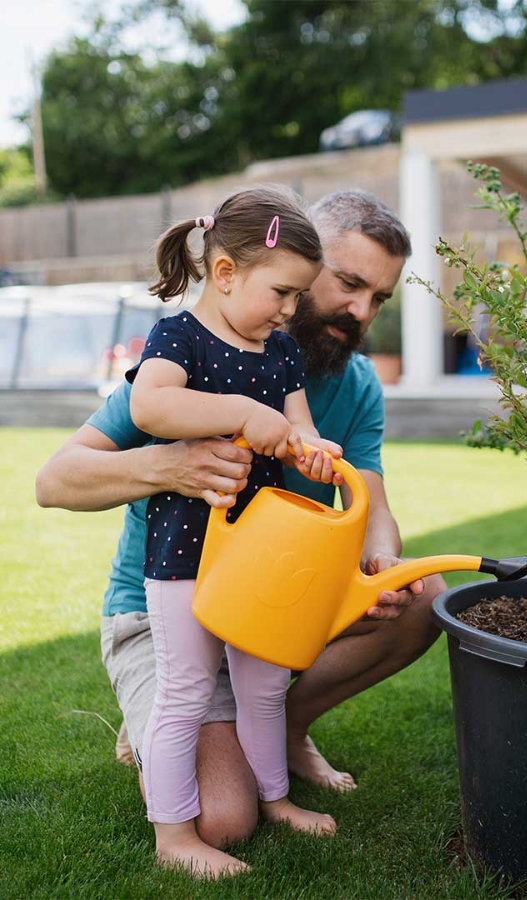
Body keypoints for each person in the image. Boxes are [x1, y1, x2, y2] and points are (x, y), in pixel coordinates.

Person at [35, 189, 446, 859]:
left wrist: (379, 567)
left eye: (380, 299)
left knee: (423, 598)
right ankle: (163, 728)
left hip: (267, 598)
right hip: (170, 598)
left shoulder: (351, 381)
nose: (361, 312)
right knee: (224, 818)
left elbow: (371, 500)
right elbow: (54, 481)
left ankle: (281, 732)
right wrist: (171, 467)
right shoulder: (190, 354)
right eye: (347, 284)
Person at [127, 185, 349, 877]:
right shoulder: (179, 338)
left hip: (259, 555)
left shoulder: (279, 352)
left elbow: (298, 423)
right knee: (186, 691)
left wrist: (311, 447)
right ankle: (174, 837)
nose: (290, 311)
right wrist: (235, 413)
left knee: (262, 687)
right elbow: (151, 405)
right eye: (282, 293)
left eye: (296, 297)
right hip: (185, 559)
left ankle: (275, 796)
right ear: (225, 274)